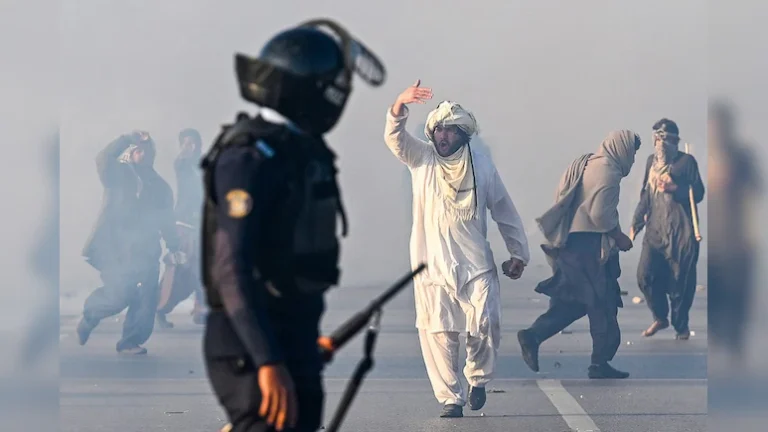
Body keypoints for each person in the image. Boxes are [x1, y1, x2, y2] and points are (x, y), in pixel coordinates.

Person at [201, 19, 385, 432]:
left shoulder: (299, 152)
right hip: (249, 346)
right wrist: (268, 359)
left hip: (293, 336)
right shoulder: (249, 158)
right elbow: (232, 269)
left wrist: (302, 346)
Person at [384, 81, 530, 418]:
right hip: (432, 265)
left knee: (486, 323)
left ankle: (477, 378)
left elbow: (504, 209)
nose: (443, 137)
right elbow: (395, 139)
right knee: (439, 333)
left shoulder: (482, 166)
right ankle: (451, 398)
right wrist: (398, 105)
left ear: (464, 135)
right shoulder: (421, 158)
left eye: (450, 131)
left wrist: (518, 253)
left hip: (475, 263)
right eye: (438, 130)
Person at [517, 130, 641, 379]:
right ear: (623, 148)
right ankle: (599, 362)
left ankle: (535, 336)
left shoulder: (587, 162)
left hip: (571, 245)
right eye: (633, 152)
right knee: (602, 303)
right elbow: (600, 215)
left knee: (575, 302)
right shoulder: (609, 173)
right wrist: (619, 236)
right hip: (588, 247)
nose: (633, 159)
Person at [77, 130, 184, 355]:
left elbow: (167, 220)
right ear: (130, 152)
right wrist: (126, 138)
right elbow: (103, 159)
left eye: (145, 150)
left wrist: (174, 246)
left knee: (146, 299)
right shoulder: (117, 174)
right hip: (115, 250)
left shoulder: (160, 186)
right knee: (119, 296)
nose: (141, 154)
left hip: (147, 251)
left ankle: (130, 341)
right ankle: (90, 316)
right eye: (136, 150)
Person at [630, 119, 704, 340]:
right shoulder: (650, 162)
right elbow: (646, 196)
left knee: (681, 282)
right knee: (645, 275)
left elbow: (698, 193)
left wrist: (675, 188)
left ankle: (681, 326)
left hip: (682, 233)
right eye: (657, 138)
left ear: (675, 141)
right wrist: (635, 223)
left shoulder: (687, 162)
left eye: (666, 139)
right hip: (655, 231)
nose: (661, 144)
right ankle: (660, 317)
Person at [707, 101, 761, 365]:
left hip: (737, 239)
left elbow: (756, 191)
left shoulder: (742, 157)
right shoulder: (705, 156)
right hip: (713, 240)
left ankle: (735, 348)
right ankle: (720, 341)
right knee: (716, 297)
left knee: (737, 299)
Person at [156, 128, 207, 328]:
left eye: (193, 142)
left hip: (201, 223)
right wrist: (185, 153)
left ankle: (201, 308)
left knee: (202, 268)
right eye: (186, 143)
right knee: (178, 269)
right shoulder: (182, 163)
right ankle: (159, 308)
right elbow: (182, 165)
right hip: (185, 224)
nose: (191, 146)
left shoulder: (204, 163)